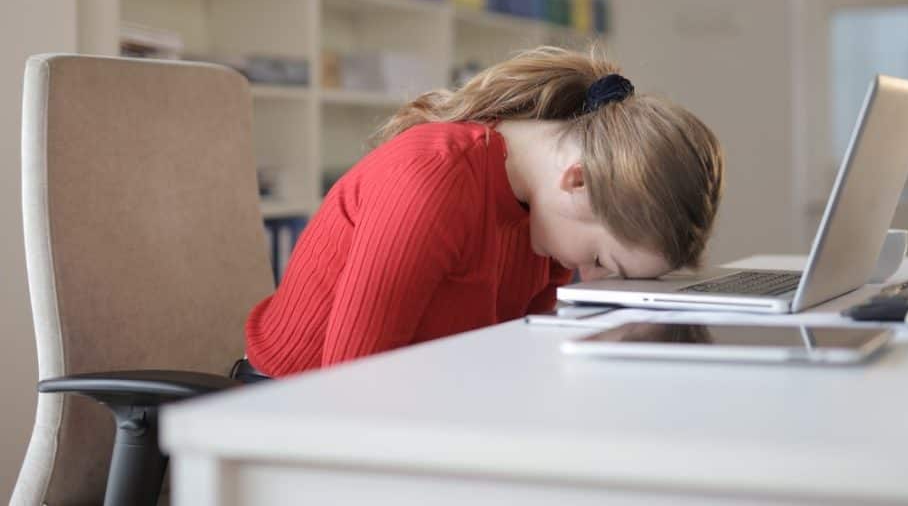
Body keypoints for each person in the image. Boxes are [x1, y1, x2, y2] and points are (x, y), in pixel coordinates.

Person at [244, 46, 724, 377]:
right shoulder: (432, 180)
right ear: (577, 181)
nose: (591, 280)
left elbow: (514, 359)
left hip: (416, 400)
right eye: (601, 262)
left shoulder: (546, 219)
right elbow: (351, 389)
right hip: (289, 410)